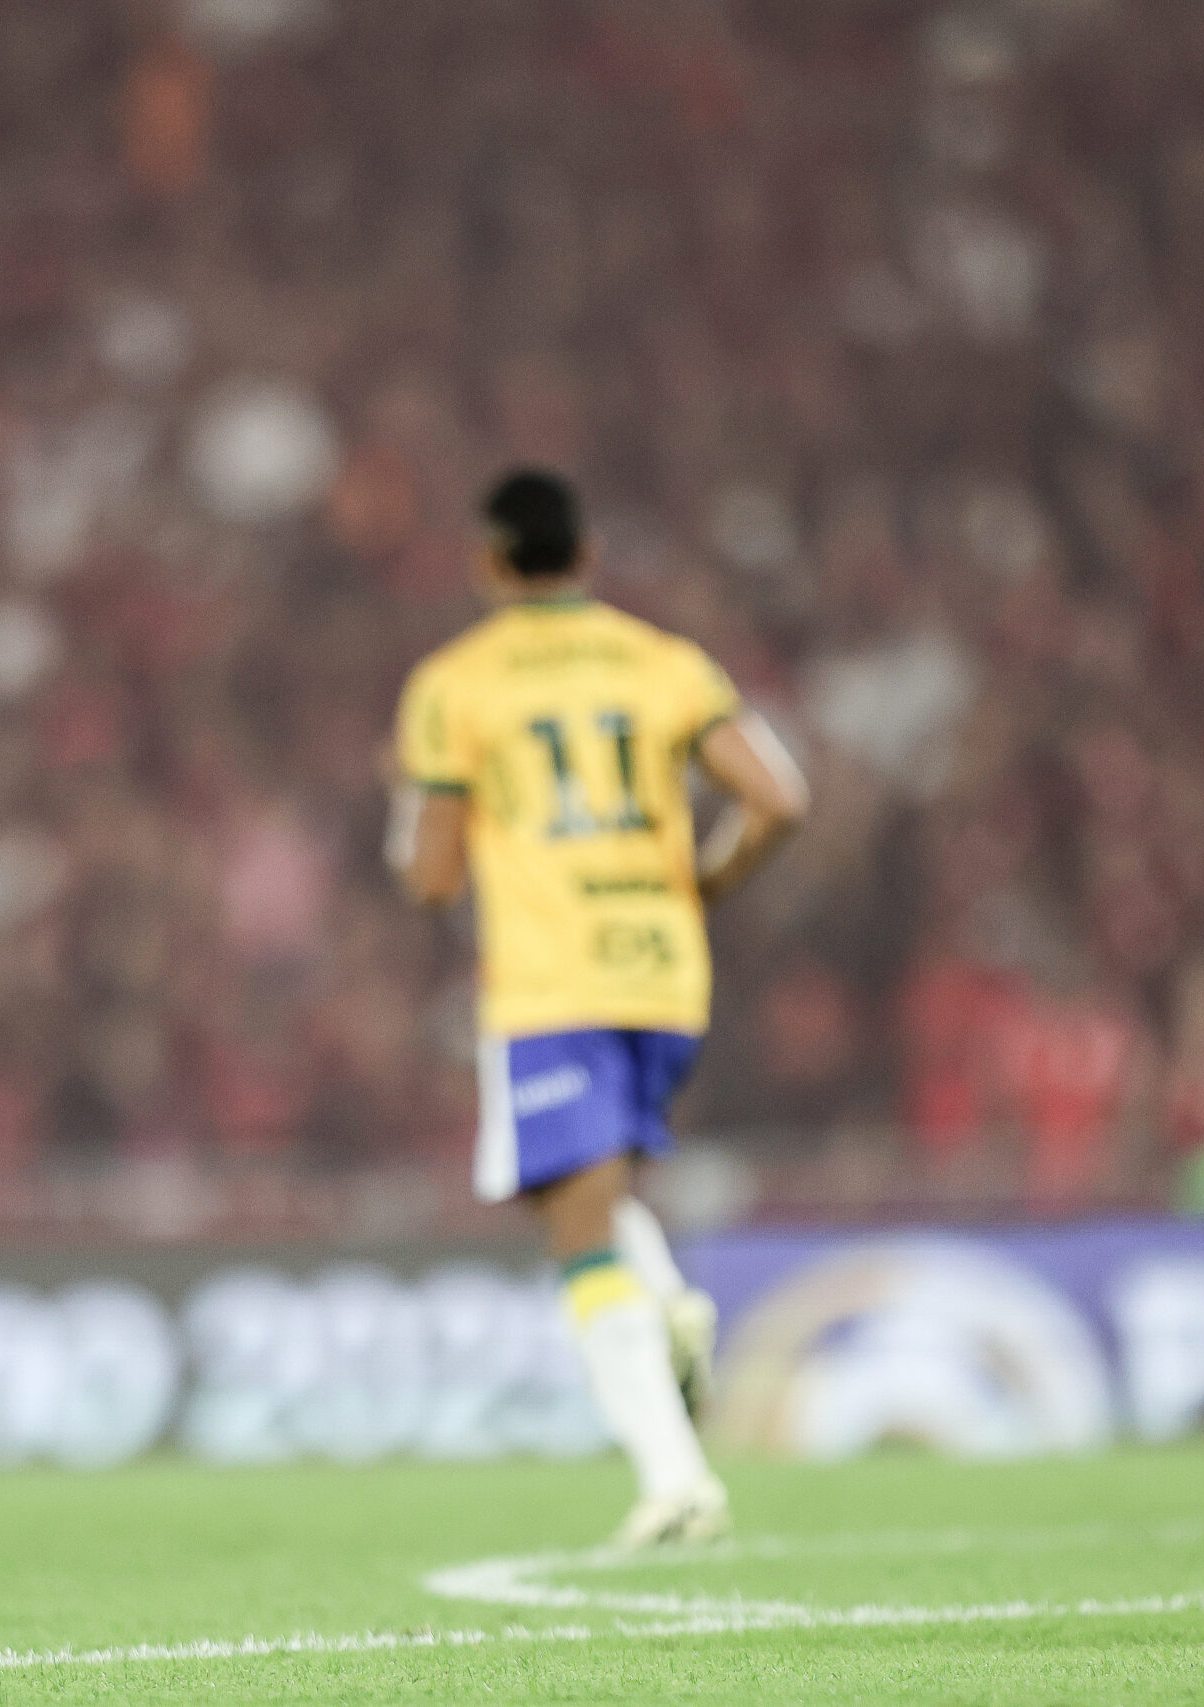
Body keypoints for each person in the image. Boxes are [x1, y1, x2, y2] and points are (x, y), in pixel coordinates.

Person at [387, 469, 808, 1549]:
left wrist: (415, 836)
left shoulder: (455, 684)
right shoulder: (660, 661)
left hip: (551, 980)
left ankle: (676, 1482)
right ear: (586, 554)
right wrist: (705, 882)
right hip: (666, 976)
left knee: (574, 1229)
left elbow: (433, 877)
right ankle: (663, 1299)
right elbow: (777, 798)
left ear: (488, 563)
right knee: (594, 1193)